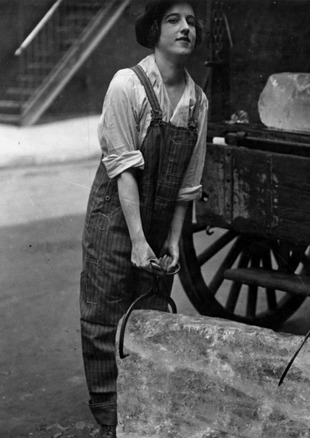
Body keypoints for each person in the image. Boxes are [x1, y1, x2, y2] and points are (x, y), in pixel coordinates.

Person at [79, 2, 207, 437]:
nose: (185, 28)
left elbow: (189, 181)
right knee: (103, 318)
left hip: (157, 222)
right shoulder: (126, 86)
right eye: (174, 20)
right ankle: (110, 422)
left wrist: (172, 240)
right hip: (116, 216)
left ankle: (142, 417)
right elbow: (123, 169)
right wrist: (136, 240)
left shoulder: (197, 102)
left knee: (150, 320)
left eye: (190, 21)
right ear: (154, 30)